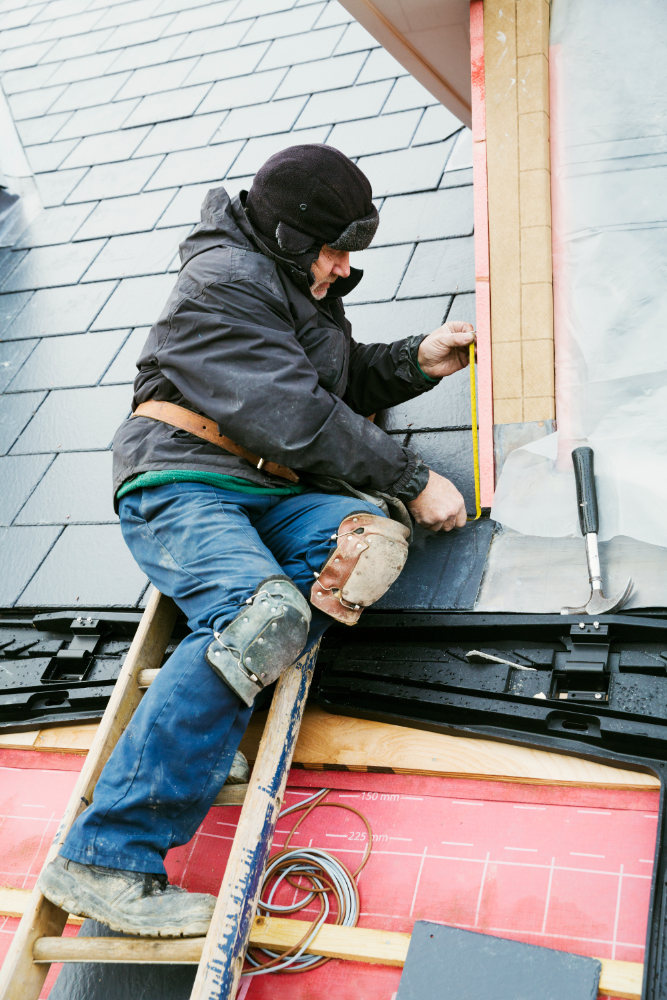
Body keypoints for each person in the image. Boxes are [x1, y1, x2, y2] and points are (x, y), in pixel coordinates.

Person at [39, 144, 475, 937]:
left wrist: (415, 361)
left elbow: (329, 390)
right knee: (262, 616)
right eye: (335, 249)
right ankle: (106, 857)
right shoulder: (223, 281)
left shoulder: (291, 285)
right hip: (183, 478)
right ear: (285, 236)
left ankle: (198, 730)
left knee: (364, 546)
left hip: (267, 490)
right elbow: (293, 412)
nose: (344, 268)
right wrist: (414, 478)